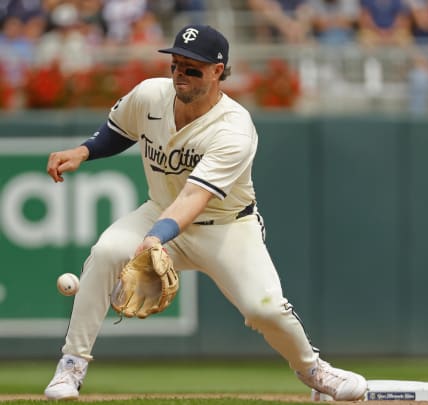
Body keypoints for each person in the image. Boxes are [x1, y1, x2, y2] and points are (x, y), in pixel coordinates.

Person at [43, 24, 368, 401]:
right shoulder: (150, 95)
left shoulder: (234, 128)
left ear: (218, 71)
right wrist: (83, 152)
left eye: (192, 68)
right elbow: (118, 130)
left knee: (265, 310)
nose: (180, 73)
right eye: (176, 64)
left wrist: (154, 239)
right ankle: (71, 365)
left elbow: (194, 198)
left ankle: (314, 371)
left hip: (226, 227)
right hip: (160, 210)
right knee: (106, 253)